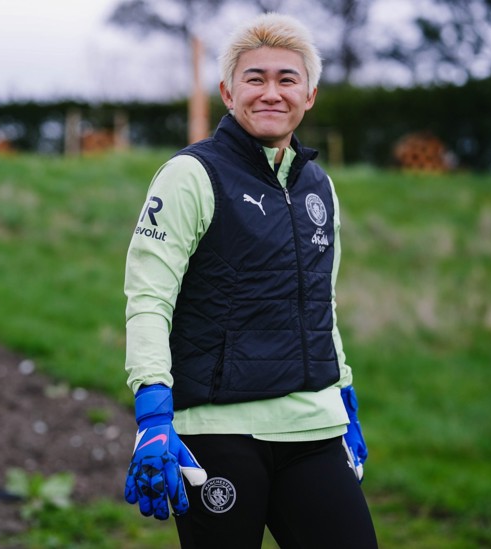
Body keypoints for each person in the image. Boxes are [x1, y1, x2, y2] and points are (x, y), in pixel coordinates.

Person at [123, 13, 377, 548]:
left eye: (287, 79)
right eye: (254, 78)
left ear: (309, 94)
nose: (271, 92)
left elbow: (319, 302)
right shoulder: (191, 174)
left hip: (314, 429)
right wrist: (152, 412)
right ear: (227, 91)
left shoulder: (319, 186)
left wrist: (344, 394)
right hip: (218, 434)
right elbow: (149, 300)